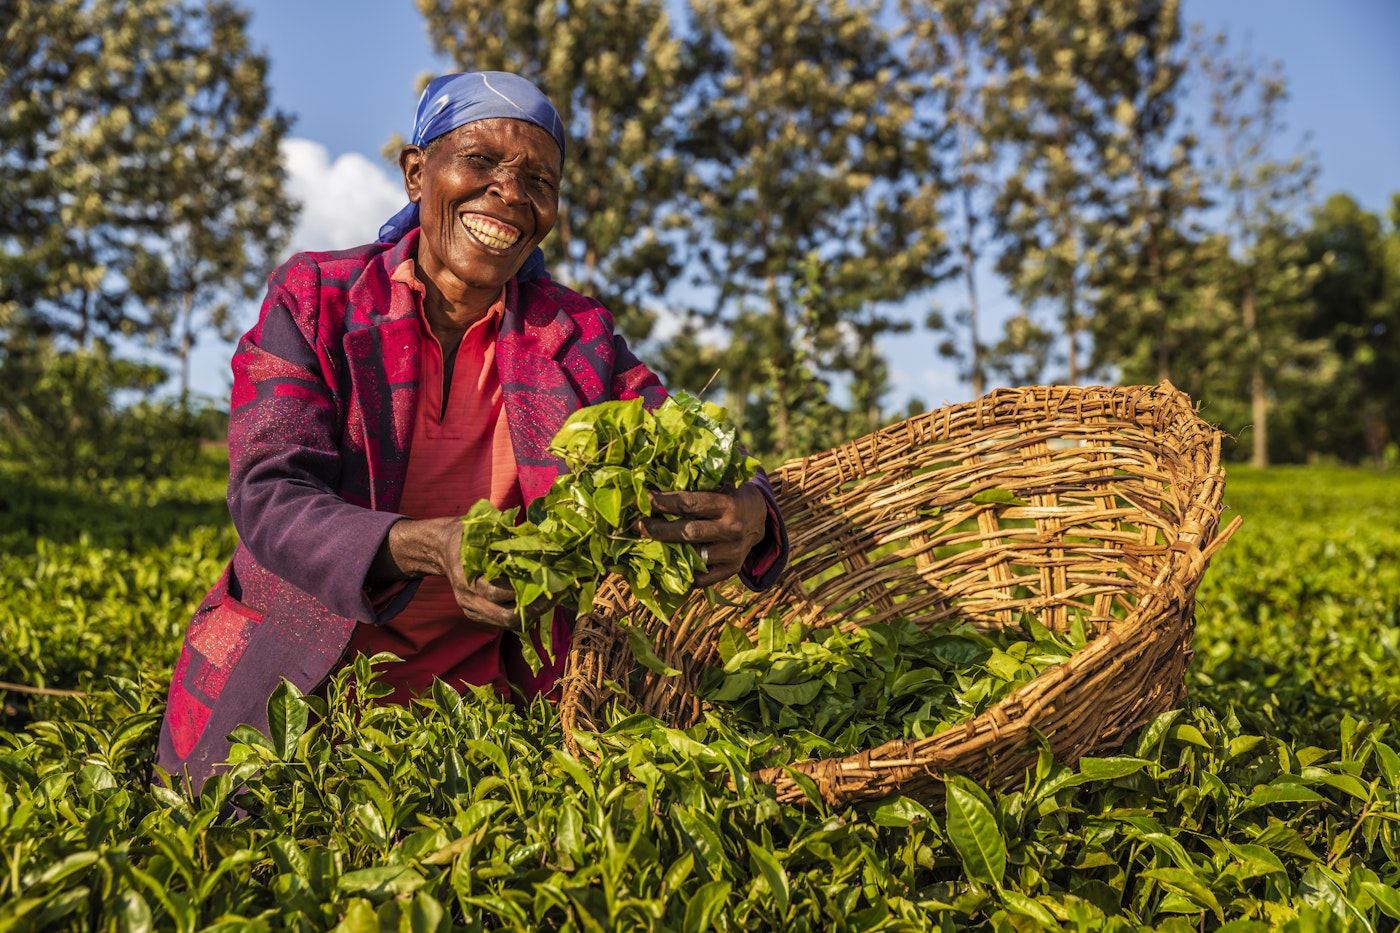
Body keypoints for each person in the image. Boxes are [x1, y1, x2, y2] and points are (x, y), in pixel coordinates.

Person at [156, 72, 788, 791]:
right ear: (418, 173)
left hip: (486, 724)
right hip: (293, 690)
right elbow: (270, 493)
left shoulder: (576, 334)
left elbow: (685, 445)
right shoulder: (318, 300)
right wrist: (428, 545)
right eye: (482, 161)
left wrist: (749, 510)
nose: (511, 192)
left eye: (538, 180)